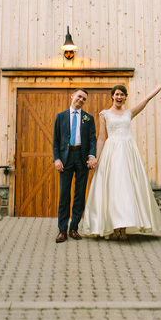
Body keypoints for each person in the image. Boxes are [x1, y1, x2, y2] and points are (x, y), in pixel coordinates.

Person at [79, 76, 161, 240]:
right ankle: (113, 228)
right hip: (111, 153)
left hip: (128, 153)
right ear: (112, 96)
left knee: (126, 189)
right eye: (116, 94)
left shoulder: (129, 113)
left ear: (125, 97)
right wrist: (96, 158)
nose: (119, 97)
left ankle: (123, 228)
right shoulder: (104, 114)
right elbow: (101, 137)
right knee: (112, 189)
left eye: (122, 95)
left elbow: (146, 100)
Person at [52, 88, 98, 243]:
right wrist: (57, 159)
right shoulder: (61, 116)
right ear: (72, 96)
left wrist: (92, 156)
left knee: (80, 194)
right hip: (65, 158)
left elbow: (92, 139)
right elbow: (55, 141)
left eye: (84, 99)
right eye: (79, 96)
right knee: (64, 194)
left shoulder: (88, 118)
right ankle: (62, 230)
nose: (81, 100)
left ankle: (74, 228)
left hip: (81, 158)